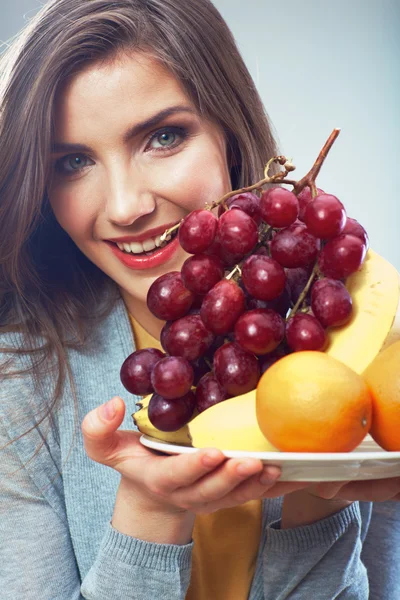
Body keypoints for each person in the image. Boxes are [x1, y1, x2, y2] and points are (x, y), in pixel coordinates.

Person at [0, 1, 399, 598]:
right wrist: (150, 512)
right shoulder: (19, 380)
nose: (124, 206)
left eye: (164, 137)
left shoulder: (361, 348)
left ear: (230, 135)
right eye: (73, 161)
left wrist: (319, 502)